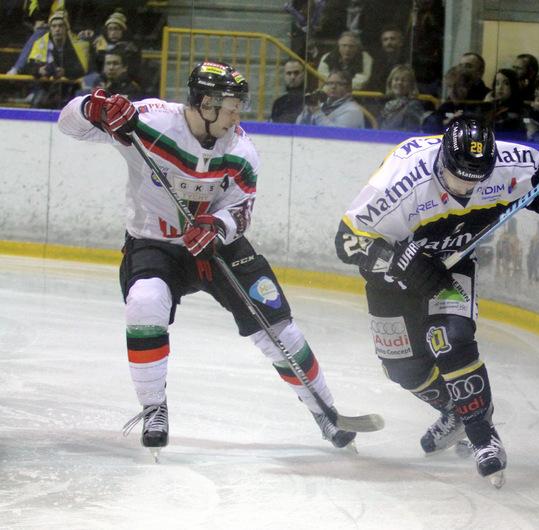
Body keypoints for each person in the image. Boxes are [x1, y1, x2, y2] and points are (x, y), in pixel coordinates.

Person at [56, 61, 358, 454]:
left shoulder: (242, 150)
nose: (237, 116)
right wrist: (92, 108)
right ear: (206, 104)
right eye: (231, 107)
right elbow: (69, 124)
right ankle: (153, 408)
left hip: (218, 246)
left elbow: (241, 210)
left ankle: (324, 410)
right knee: (145, 302)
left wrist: (217, 226)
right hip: (155, 243)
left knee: (277, 327)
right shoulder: (149, 121)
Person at [333, 117, 539, 485]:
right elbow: (346, 242)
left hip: (452, 265)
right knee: (403, 369)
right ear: (441, 161)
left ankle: (483, 436)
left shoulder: (513, 162)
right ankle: (457, 411)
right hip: (392, 274)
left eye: (475, 179)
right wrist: (403, 262)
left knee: (452, 337)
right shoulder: (402, 182)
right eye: (457, 177)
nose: (466, 187)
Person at [21, 9, 89, 108]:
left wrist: (65, 71)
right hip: (46, 87)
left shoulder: (77, 45)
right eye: (54, 26)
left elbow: (82, 70)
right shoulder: (40, 43)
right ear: (50, 29)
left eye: (60, 26)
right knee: (37, 102)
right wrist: (39, 70)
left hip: (70, 88)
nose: (57, 29)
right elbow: (28, 67)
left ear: (66, 28)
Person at [296, 70, 366, 128]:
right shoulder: (321, 105)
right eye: (330, 83)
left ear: (348, 88)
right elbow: (299, 127)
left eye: (339, 83)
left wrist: (317, 112)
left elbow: (336, 135)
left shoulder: (353, 110)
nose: (333, 87)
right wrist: (307, 112)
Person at [485, 68, 529, 142]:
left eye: (506, 84)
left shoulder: (518, 109)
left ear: (513, 86)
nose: (500, 87)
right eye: (497, 83)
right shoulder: (494, 106)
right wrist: (486, 105)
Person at [378, 64, 425, 131]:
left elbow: (411, 132)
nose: (399, 83)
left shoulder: (413, 106)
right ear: (390, 83)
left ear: (411, 85)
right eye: (396, 79)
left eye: (404, 80)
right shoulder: (387, 105)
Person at [365, 27, 407, 92]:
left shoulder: (407, 60)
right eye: (385, 40)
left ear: (400, 42)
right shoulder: (377, 62)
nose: (388, 43)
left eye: (392, 39)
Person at [270, 59, 306, 123]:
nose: (292, 77)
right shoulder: (278, 103)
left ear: (303, 75)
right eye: (289, 73)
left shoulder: (309, 100)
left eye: (296, 73)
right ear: (284, 76)